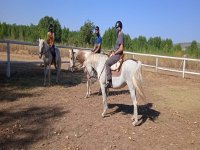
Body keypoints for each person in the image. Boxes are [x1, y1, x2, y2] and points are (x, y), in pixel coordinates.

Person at [105, 21, 124, 88]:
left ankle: (109, 81)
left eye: (116, 28)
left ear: (119, 28)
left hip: (118, 56)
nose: (115, 29)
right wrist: (112, 51)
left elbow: (121, 48)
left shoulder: (121, 35)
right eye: (115, 28)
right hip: (116, 54)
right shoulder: (119, 36)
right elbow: (117, 47)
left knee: (107, 63)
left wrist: (114, 53)